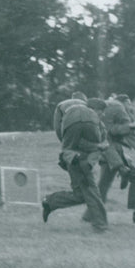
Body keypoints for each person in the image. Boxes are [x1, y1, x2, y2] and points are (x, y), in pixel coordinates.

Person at [42, 98, 110, 233]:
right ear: (95, 110)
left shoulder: (69, 109)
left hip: (72, 142)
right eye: (102, 112)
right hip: (82, 161)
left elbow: (64, 138)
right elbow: (100, 145)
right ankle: (100, 225)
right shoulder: (95, 120)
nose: (102, 115)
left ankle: (51, 201)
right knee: (92, 190)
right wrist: (94, 154)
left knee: (81, 194)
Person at [95, 95, 135, 224]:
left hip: (105, 151)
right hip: (110, 152)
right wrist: (130, 127)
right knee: (108, 184)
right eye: (129, 103)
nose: (130, 106)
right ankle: (94, 215)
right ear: (124, 102)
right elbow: (121, 132)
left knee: (105, 185)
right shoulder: (119, 108)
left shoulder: (106, 108)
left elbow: (112, 130)